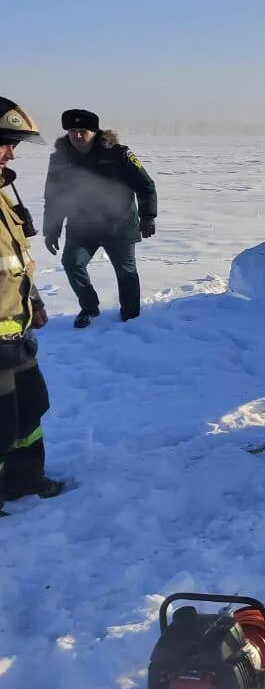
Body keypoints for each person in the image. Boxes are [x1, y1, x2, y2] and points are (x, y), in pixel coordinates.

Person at [0, 97, 62, 514]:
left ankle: (24, 480)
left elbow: (15, 262)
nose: (11, 152)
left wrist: (34, 300)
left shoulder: (3, 193)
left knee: (29, 411)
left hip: (14, 334)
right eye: (3, 142)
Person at [42, 109, 158, 328]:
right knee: (72, 263)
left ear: (94, 131)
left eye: (82, 131)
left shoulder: (118, 154)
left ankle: (130, 315)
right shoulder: (59, 159)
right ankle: (89, 307)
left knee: (126, 272)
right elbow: (54, 196)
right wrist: (52, 228)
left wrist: (148, 216)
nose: (77, 136)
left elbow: (146, 185)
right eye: (72, 131)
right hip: (82, 226)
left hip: (119, 224)